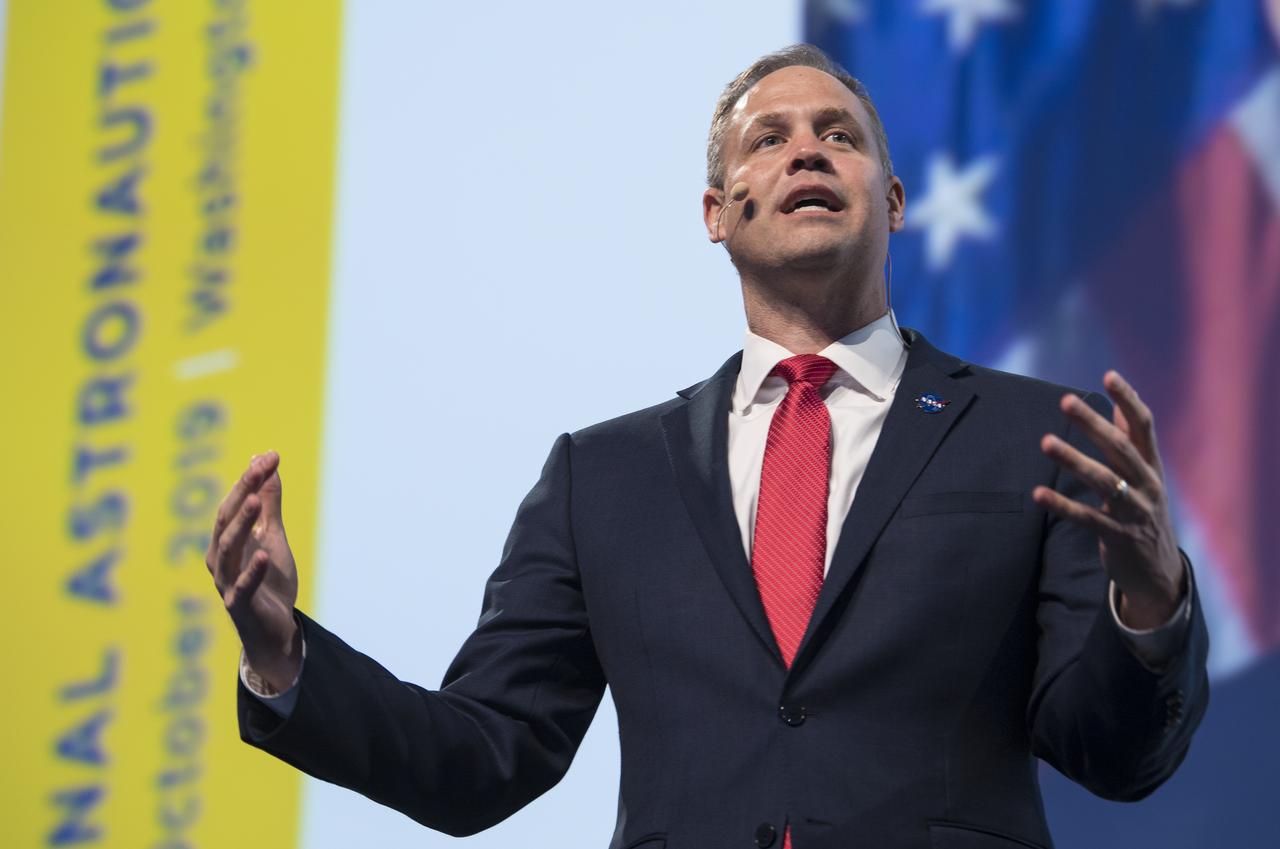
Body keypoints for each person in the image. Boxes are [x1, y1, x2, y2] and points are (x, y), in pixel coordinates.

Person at [209, 45, 1207, 849]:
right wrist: (282, 651)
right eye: (766, 141)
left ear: (892, 202)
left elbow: (1113, 756)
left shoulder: (1034, 438)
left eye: (837, 136)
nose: (804, 152)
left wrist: (1147, 600)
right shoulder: (598, 478)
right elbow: (480, 760)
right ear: (715, 215)